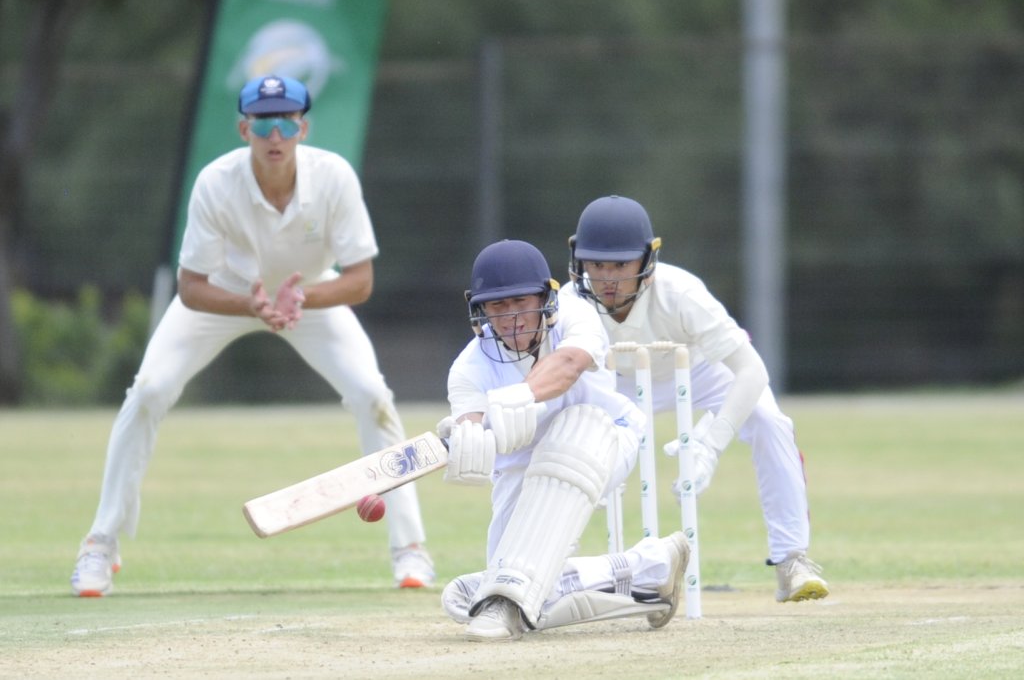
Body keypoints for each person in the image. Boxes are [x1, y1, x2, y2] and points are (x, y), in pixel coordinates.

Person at [69, 74, 434, 596]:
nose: (276, 135)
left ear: (303, 127)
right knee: (148, 391)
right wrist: (251, 304)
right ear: (245, 129)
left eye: (287, 122)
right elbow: (191, 288)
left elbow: (359, 282)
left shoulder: (333, 178)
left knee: (372, 396)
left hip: (309, 296)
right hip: (227, 296)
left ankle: (410, 548)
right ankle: (100, 544)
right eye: (264, 124)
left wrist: (299, 299)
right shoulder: (215, 183)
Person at [566, 194, 829, 603]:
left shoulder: (681, 293)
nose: (607, 278)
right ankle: (560, 567)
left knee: (769, 421)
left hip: (699, 370)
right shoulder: (570, 302)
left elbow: (752, 370)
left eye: (620, 264)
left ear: (646, 261)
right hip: (616, 382)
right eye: (596, 264)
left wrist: (711, 441)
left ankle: (791, 560)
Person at [436, 239, 690, 642]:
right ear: (480, 309)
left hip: (606, 437)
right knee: (487, 595)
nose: (511, 317)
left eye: (521, 301)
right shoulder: (468, 367)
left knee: (573, 433)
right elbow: (473, 423)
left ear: (545, 297)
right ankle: (649, 571)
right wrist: (468, 439)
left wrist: (516, 397)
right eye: (497, 306)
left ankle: (508, 592)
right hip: (521, 469)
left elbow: (569, 364)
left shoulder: (576, 315)